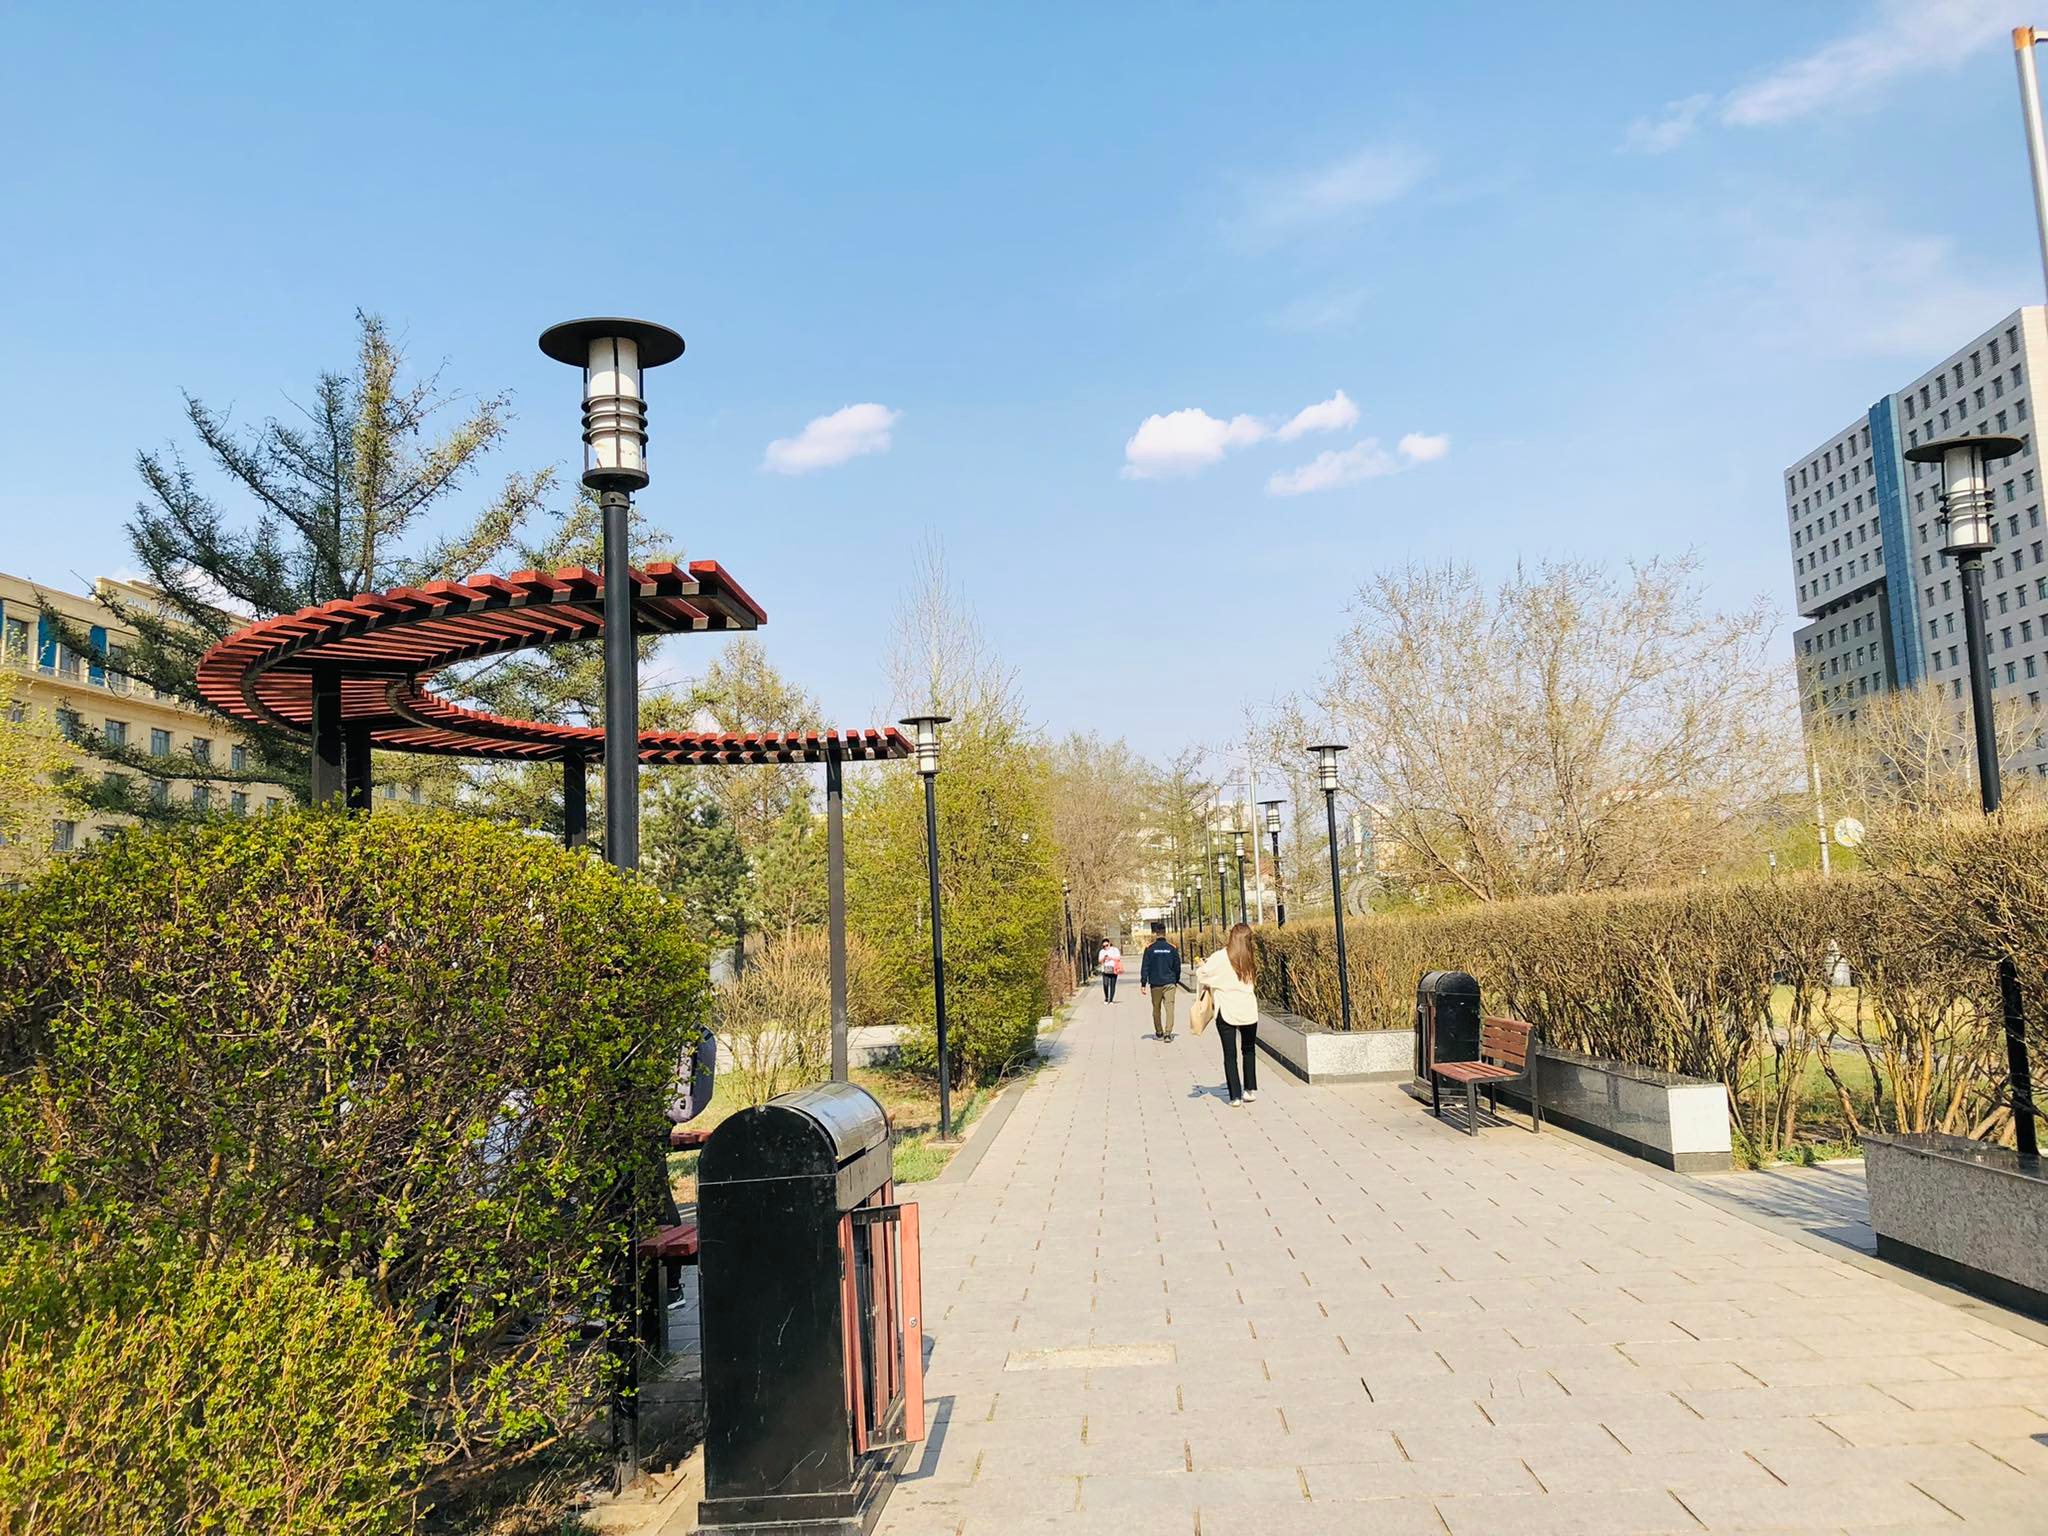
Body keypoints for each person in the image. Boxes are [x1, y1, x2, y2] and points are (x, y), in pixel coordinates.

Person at [1196, 922, 1260, 1105]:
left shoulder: (1221, 956)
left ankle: (1235, 1096)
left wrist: (1203, 966)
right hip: (1248, 1009)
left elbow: (1202, 975)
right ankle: (1249, 1089)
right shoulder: (1250, 957)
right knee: (1249, 1050)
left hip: (1226, 1009)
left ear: (1231, 936)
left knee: (1230, 1054)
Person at [1137, 920, 1181, 1040]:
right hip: (1169, 982)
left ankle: (1159, 1031)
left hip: (1155, 983)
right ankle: (1168, 1033)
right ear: (1165, 933)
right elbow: (1177, 966)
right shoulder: (1172, 948)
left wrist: (1143, 983)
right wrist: (1176, 980)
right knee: (1169, 1008)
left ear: (1156, 933)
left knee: (1156, 1009)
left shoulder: (1150, 949)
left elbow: (1145, 966)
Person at [1098, 938, 1122, 1003]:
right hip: (1105, 969)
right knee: (1105, 984)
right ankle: (1106, 997)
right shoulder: (1102, 951)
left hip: (1114, 968)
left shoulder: (1114, 950)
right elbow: (1099, 960)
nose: (1105, 947)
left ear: (1109, 944)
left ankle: (1111, 1000)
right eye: (1104, 946)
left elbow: (1118, 958)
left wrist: (1110, 958)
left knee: (1112, 985)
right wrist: (1104, 958)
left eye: (1107, 945)